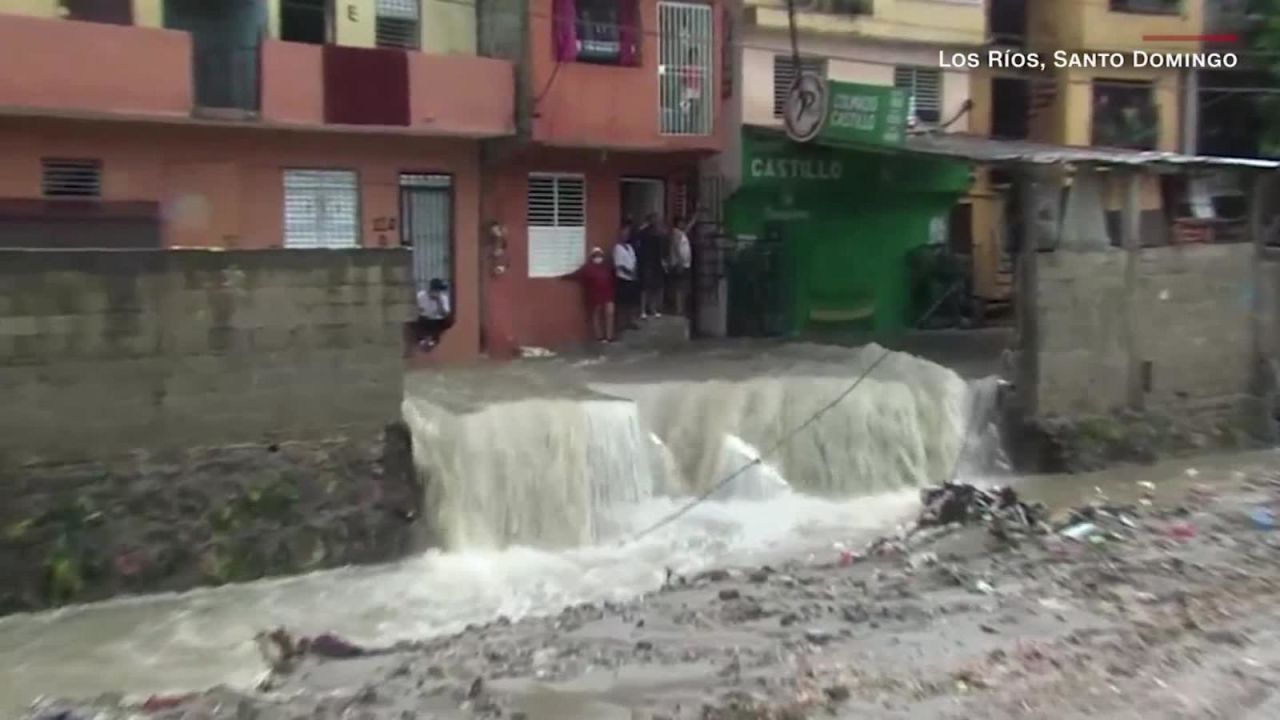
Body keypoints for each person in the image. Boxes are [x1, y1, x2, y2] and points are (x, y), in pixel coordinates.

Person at [568, 247, 615, 343]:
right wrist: (562, 277)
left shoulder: (606, 267)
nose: (598, 257)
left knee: (610, 313)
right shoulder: (587, 268)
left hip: (608, 295)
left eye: (600, 255)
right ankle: (600, 337)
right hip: (594, 296)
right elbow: (576, 275)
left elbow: (613, 279)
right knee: (596, 315)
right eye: (596, 256)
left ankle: (609, 337)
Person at [635, 212, 667, 318]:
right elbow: (638, 242)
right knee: (645, 287)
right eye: (655, 219)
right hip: (646, 262)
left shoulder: (659, 233)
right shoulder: (644, 232)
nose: (657, 221)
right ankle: (643, 310)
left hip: (656, 262)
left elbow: (663, 247)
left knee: (655, 287)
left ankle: (653, 309)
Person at [413, 278, 453, 351]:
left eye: (440, 291)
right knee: (419, 320)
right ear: (432, 289)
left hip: (437, 320)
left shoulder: (443, 298)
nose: (439, 292)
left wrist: (439, 302)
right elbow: (414, 309)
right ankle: (422, 340)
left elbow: (445, 313)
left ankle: (432, 341)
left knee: (445, 322)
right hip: (424, 319)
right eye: (437, 290)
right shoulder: (421, 296)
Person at [613, 221, 640, 330]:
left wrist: (635, 272)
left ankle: (630, 321)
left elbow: (634, 261)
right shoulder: (617, 248)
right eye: (624, 233)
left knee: (631, 302)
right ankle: (621, 324)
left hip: (632, 278)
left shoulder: (630, 247)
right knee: (622, 303)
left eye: (627, 233)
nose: (626, 235)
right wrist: (630, 273)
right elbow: (619, 265)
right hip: (623, 278)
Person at [667, 214, 694, 316]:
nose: (683, 224)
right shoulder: (675, 233)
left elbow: (688, 227)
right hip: (679, 264)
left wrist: (695, 217)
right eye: (682, 222)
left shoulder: (682, 233)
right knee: (679, 287)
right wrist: (680, 262)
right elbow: (676, 247)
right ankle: (678, 309)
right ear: (678, 223)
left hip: (685, 264)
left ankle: (681, 308)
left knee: (683, 288)